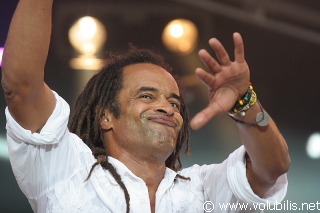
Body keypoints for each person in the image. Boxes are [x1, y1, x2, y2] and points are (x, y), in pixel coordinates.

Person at [2, 0, 290, 212]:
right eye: (147, 96)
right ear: (105, 116)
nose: (167, 108)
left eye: (174, 101)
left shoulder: (203, 188)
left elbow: (272, 169)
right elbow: (21, 87)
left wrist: (244, 101)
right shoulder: (64, 170)